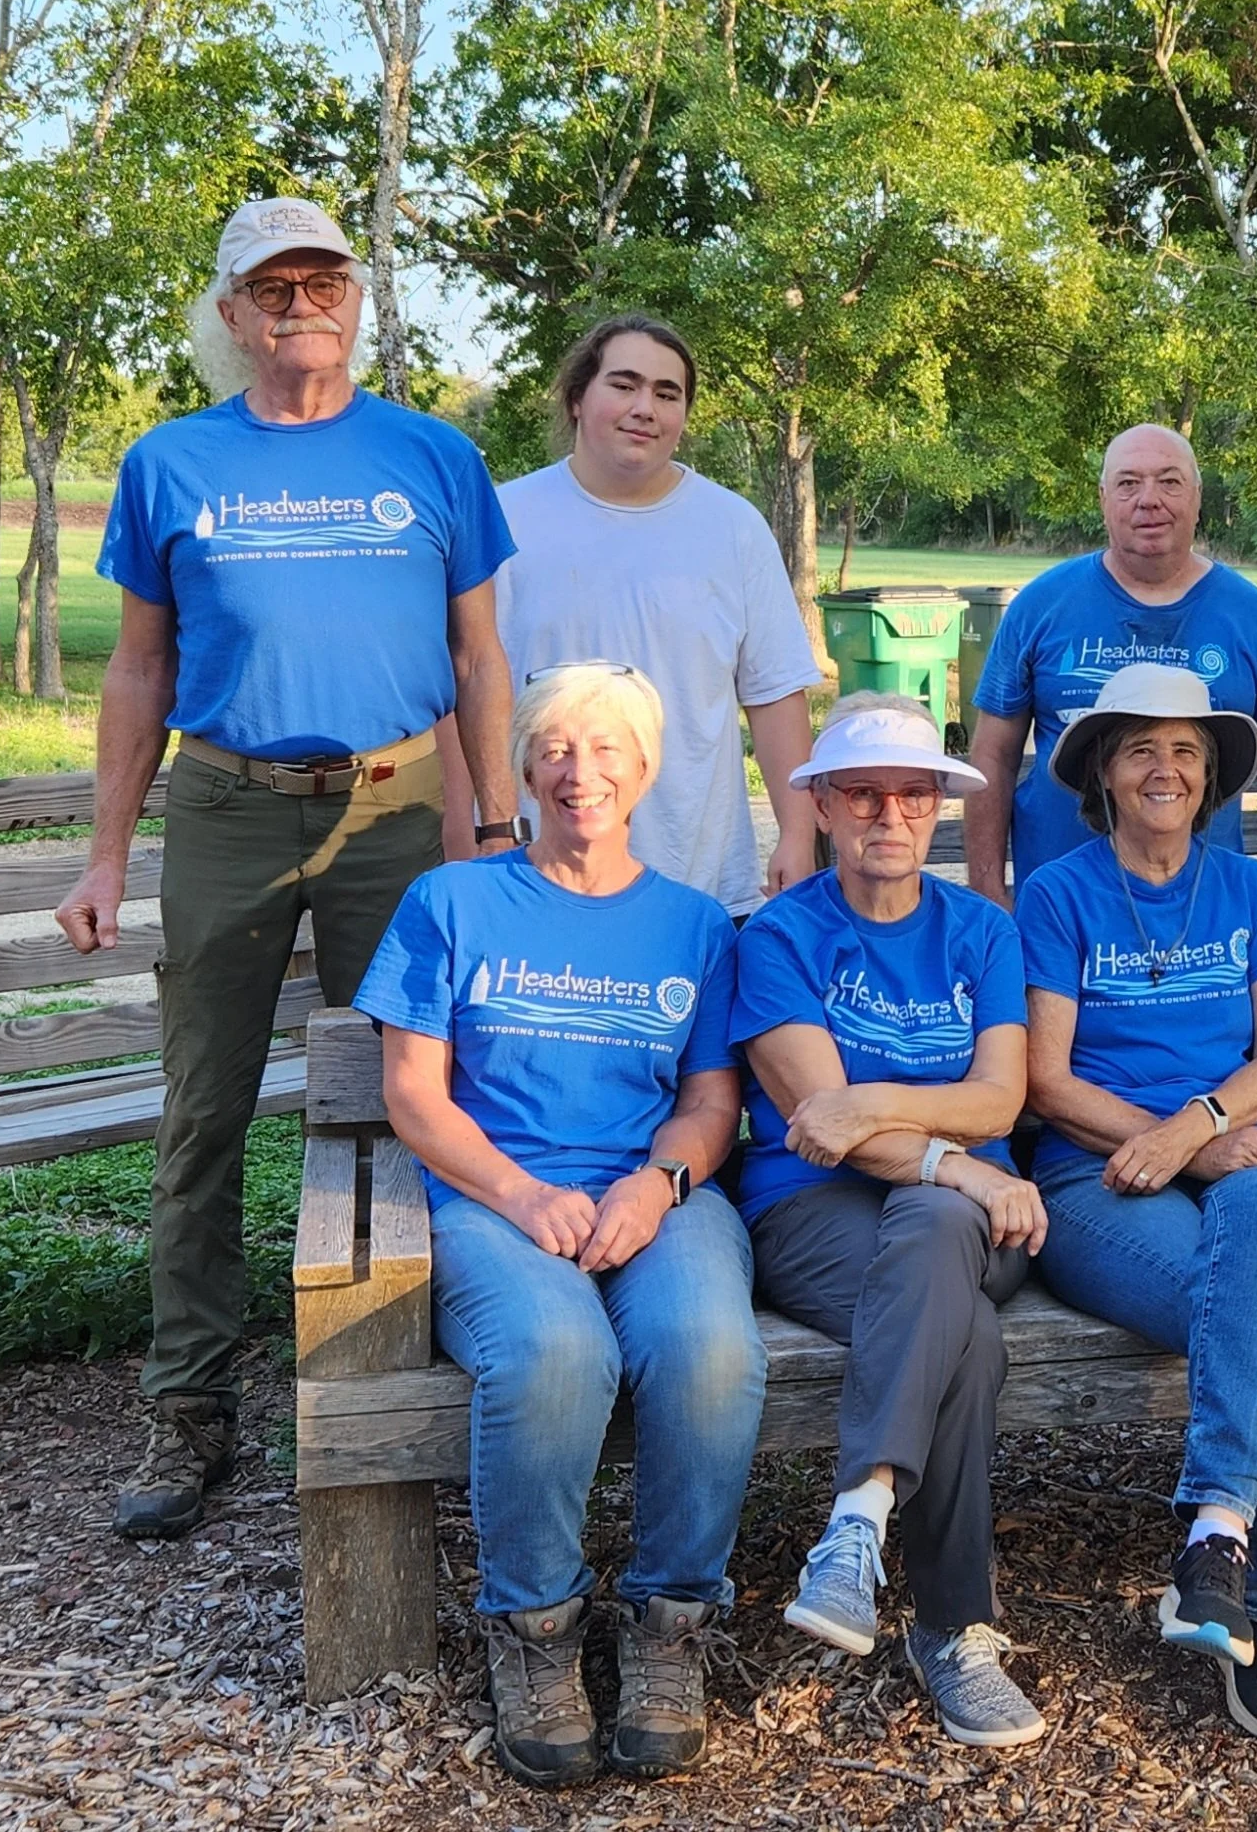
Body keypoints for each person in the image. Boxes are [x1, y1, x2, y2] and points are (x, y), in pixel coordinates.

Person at [58, 197, 520, 1540]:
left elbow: (482, 659)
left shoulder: (434, 456)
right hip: (227, 803)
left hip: (394, 805)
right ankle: (190, 1400)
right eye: (272, 288)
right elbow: (139, 667)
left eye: (323, 280)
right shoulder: (170, 463)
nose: (300, 304)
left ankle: (419, 1373)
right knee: (203, 1111)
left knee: (417, 1090)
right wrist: (104, 852)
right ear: (231, 313)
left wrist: (493, 825)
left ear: (359, 301)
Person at [355, 663, 762, 1786]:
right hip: (493, 1197)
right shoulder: (455, 901)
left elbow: (712, 1098)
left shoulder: (689, 924)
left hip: (655, 1195)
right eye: (556, 748)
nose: (581, 772)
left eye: (608, 749)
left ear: (645, 767)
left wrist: (655, 1186)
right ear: (525, 765)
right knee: (552, 1352)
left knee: (709, 1349)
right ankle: (532, 1632)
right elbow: (413, 1095)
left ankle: (671, 1626)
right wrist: (521, 1194)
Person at [1016, 664, 1257, 1745]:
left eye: (1185, 750)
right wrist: (1180, 1145)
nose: (1164, 767)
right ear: (1103, 770)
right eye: (1140, 747)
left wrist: (1191, 1131)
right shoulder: (1057, 893)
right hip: (1092, 1178)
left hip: (1219, 1149)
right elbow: (1045, 1081)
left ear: (1210, 777)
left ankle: (1218, 1540)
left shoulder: (1247, 889)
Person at [731, 694, 1049, 1748]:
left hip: (969, 1222)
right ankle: (956, 1629)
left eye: (911, 793)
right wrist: (951, 1157)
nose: (887, 812)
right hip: (816, 1216)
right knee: (966, 1330)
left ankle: (858, 1520)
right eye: (861, 791)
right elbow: (817, 1136)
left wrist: (871, 1103)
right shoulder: (779, 936)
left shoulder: (982, 931)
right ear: (820, 805)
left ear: (936, 809)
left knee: (933, 1231)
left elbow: (999, 1097)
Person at [494, 315, 823, 914]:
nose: (644, 407)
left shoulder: (732, 527)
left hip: (698, 885)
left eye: (667, 393)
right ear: (576, 398)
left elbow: (774, 693)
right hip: (533, 881)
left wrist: (799, 836)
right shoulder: (504, 520)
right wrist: (481, 831)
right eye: (623, 384)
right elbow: (468, 686)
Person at [966, 424, 1257, 901]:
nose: (1148, 499)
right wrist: (987, 890)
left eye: (1169, 481)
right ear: (1103, 497)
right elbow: (993, 755)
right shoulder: (1041, 606)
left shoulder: (1254, 618)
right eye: (1129, 483)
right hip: (1059, 911)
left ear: (1197, 496)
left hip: (1206, 917)